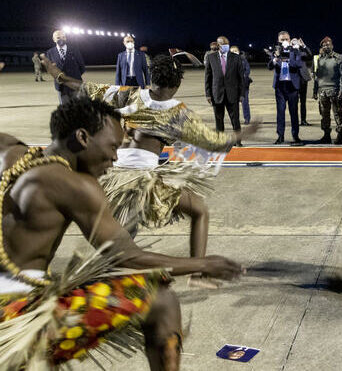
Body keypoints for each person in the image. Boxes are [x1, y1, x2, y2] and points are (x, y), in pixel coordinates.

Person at [0, 98, 244, 370]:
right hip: (18, 315)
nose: (115, 157)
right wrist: (203, 263)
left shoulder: (12, 154)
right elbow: (126, 257)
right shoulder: (75, 185)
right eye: (113, 146)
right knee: (160, 298)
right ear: (82, 137)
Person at [42, 53, 244, 288]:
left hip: (111, 175)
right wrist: (240, 135)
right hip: (139, 178)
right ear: (177, 84)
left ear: (151, 77)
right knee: (197, 210)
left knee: (120, 235)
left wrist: (58, 73)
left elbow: (82, 86)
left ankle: (88, 274)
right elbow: (214, 141)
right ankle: (197, 274)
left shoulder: (128, 94)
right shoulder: (177, 112)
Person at [205, 36, 246, 144]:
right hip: (217, 94)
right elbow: (208, 77)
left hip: (233, 94)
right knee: (219, 121)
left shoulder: (236, 58)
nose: (226, 46)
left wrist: (242, 94)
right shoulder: (211, 57)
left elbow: (241, 77)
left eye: (227, 44)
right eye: (224, 44)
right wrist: (208, 94)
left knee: (235, 120)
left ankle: (238, 141)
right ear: (218, 45)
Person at [268, 31, 304, 145]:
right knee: (280, 113)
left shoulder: (295, 50)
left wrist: (287, 59)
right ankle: (280, 136)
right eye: (282, 40)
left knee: (294, 113)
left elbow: (299, 64)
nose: (284, 41)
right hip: (280, 86)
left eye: (286, 39)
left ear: (290, 40)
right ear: (278, 41)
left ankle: (295, 136)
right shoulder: (275, 52)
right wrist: (275, 59)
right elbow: (269, 66)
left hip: (292, 86)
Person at [312, 37, 342, 144]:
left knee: (337, 113)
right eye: (324, 45)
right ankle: (326, 135)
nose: (326, 47)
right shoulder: (320, 59)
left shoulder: (338, 58)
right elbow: (317, 76)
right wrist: (315, 90)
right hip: (322, 91)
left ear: (332, 45)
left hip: (334, 90)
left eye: (328, 44)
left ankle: (339, 135)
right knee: (324, 114)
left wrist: (341, 91)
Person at [45, 30, 85, 104]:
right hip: (61, 86)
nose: (61, 39)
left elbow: (82, 67)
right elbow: (49, 69)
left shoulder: (74, 50)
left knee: (78, 108)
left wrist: (74, 76)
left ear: (66, 38)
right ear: (53, 39)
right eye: (58, 37)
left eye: (63, 37)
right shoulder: (50, 53)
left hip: (75, 84)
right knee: (65, 110)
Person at [294, 38, 313, 126]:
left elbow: (310, 55)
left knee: (303, 101)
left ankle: (303, 120)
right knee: (294, 102)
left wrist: (303, 45)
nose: (296, 44)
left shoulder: (302, 53)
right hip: (294, 79)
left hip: (303, 79)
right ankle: (295, 120)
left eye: (296, 42)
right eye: (293, 43)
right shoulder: (290, 53)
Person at [232, 46, 252, 125]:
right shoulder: (228, 61)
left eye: (235, 51)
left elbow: (248, 70)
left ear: (238, 51)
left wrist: (243, 76)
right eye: (232, 51)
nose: (234, 52)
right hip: (233, 86)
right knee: (234, 104)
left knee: (245, 102)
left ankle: (247, 118)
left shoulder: (243, 59)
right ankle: (235, 119)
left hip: (243, 85)